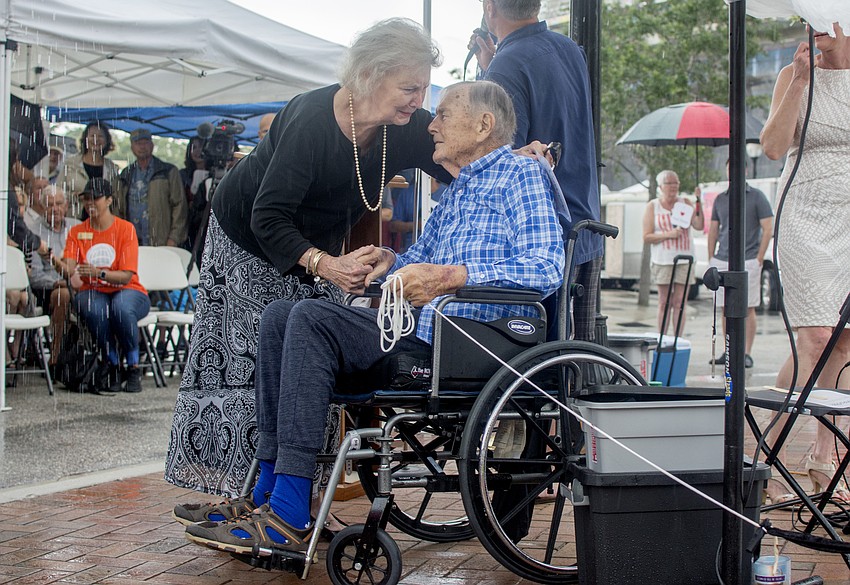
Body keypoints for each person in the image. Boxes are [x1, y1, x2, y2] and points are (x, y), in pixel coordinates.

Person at [182, 80, 565, 553]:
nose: (432, 125)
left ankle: (288, 511)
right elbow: (418, 257)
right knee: (281, 316)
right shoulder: (460, 190)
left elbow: (546, 267)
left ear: (484, 124)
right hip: (417, 330)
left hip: (472, 342)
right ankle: (266, 493)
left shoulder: (519, 177)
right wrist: (388, 259)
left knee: (309, 319)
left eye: (444, 114)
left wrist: (449, 277)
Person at [165, 18, 453, 500]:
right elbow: (268, 216)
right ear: (369, 75)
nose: (418, 101)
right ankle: (246, 495)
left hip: (312, 247)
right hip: (248, 239)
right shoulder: (309, 121)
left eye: (423, 89)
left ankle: (290, 495)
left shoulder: (404, 124)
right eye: (409, 87)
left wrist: (515, 153)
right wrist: (324, 263)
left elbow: (464, 152)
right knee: (252, 363)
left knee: (303, 355)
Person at [470, 0, 602, 342]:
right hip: (585, 224)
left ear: (489, 8)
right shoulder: (570, 49)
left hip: (539, 238)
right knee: (574, 364)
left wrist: (490, 75)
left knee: (534, 360)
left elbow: (500, 157)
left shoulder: (508, 64)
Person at [760, 21, 850, 504]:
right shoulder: (794, 74)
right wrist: (797, 80)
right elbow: (772, 147)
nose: (817, 28)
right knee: (815, 338)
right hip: (804, 214)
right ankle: (767, 456)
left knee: (842, 344)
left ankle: (822, 455)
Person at [60, 178, 151, 394]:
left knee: (120, 309)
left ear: (109, 200)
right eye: (86, 199)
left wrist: (99, 273)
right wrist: (53, 260)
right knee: (94, 310)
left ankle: (133, 366)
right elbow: (69, 268)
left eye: (95, 198)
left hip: (129, 290)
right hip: (92, 290)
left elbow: (126, 277)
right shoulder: (76, 232)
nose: (90, 203)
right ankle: (112, 363)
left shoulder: (125, 229)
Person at [706, 161, 774, 369]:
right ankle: (729, 350)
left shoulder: (757, 196)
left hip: (749, 258)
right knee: (725, 308)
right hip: (723, 257)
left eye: (735, 168)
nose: (732, 172)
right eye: (729, 168)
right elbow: (713, 230)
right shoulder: (721, 199)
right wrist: (711, 258)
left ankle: (746, 352)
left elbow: (768, 227)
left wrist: (760, 257)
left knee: (748, 307)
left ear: (744, 170)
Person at [642, 170, 704, 336]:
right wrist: (668, 234)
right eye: (669, 183)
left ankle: (678, 338)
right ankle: (662, 337)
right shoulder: (653, 206)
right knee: (664, 301)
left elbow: (698, 225)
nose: (673, 187)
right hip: (663, 260)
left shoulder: (685, 203)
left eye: (676, 183)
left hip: (684, 259)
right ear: (661, 186)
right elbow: (647, 236)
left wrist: (699, 201)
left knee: (680, 302)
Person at [25, 185, 80, 368]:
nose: (55, 209)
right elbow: (35, 277)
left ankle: (103, 362)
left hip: (79, 286)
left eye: (58, 204)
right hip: (46, 291)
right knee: (62, 295)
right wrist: (58, 283)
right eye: (49, 205)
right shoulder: (33, 231)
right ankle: (56, 357)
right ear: (42, 208)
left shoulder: (76, 227)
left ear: (66, 206)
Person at [113, 128, 187, 248]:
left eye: (145, 142)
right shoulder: (125, 175)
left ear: (152, 145)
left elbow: (179, 206)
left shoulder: (167, 171)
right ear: (132, 147)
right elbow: (118, 209)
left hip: (161, 242)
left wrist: (174, 238)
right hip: (132, 242)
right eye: (138, 143)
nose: (142, 147)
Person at [55, 121, 120, 218]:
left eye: (100, 136)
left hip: (102, 221)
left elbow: (116, 196)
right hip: (75, 218)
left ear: (107, 141)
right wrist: (76, 197)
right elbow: (58, 192)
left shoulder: (112, 168)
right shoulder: (70, 163)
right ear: (85, 139)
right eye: (92, 135)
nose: (96, 139)